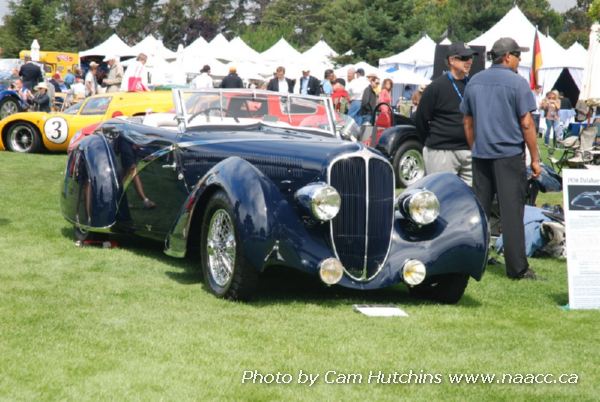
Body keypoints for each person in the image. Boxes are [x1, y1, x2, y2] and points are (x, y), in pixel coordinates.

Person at [460, 37, 541, 280]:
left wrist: (475, 147)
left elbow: (467, 121)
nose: (520, 60)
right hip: (508, 155)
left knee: (480, 211)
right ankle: (517, 268)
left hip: (481, 155)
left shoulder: (474, 81)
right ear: (507, 56)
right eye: (518, 55)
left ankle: (475, 259)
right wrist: (535, 158)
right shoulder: (517, 83)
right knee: (512, 212)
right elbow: (526, 123)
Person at [415, 42, 477, 185]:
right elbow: (420, 120)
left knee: (470, 201)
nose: (469, 61)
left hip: (469, 151)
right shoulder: (436, 87)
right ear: (451, 60)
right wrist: (434, 142)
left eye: (471, 57)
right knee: (442, 197)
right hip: (442, 151)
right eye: (464, 57)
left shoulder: (473, 85)